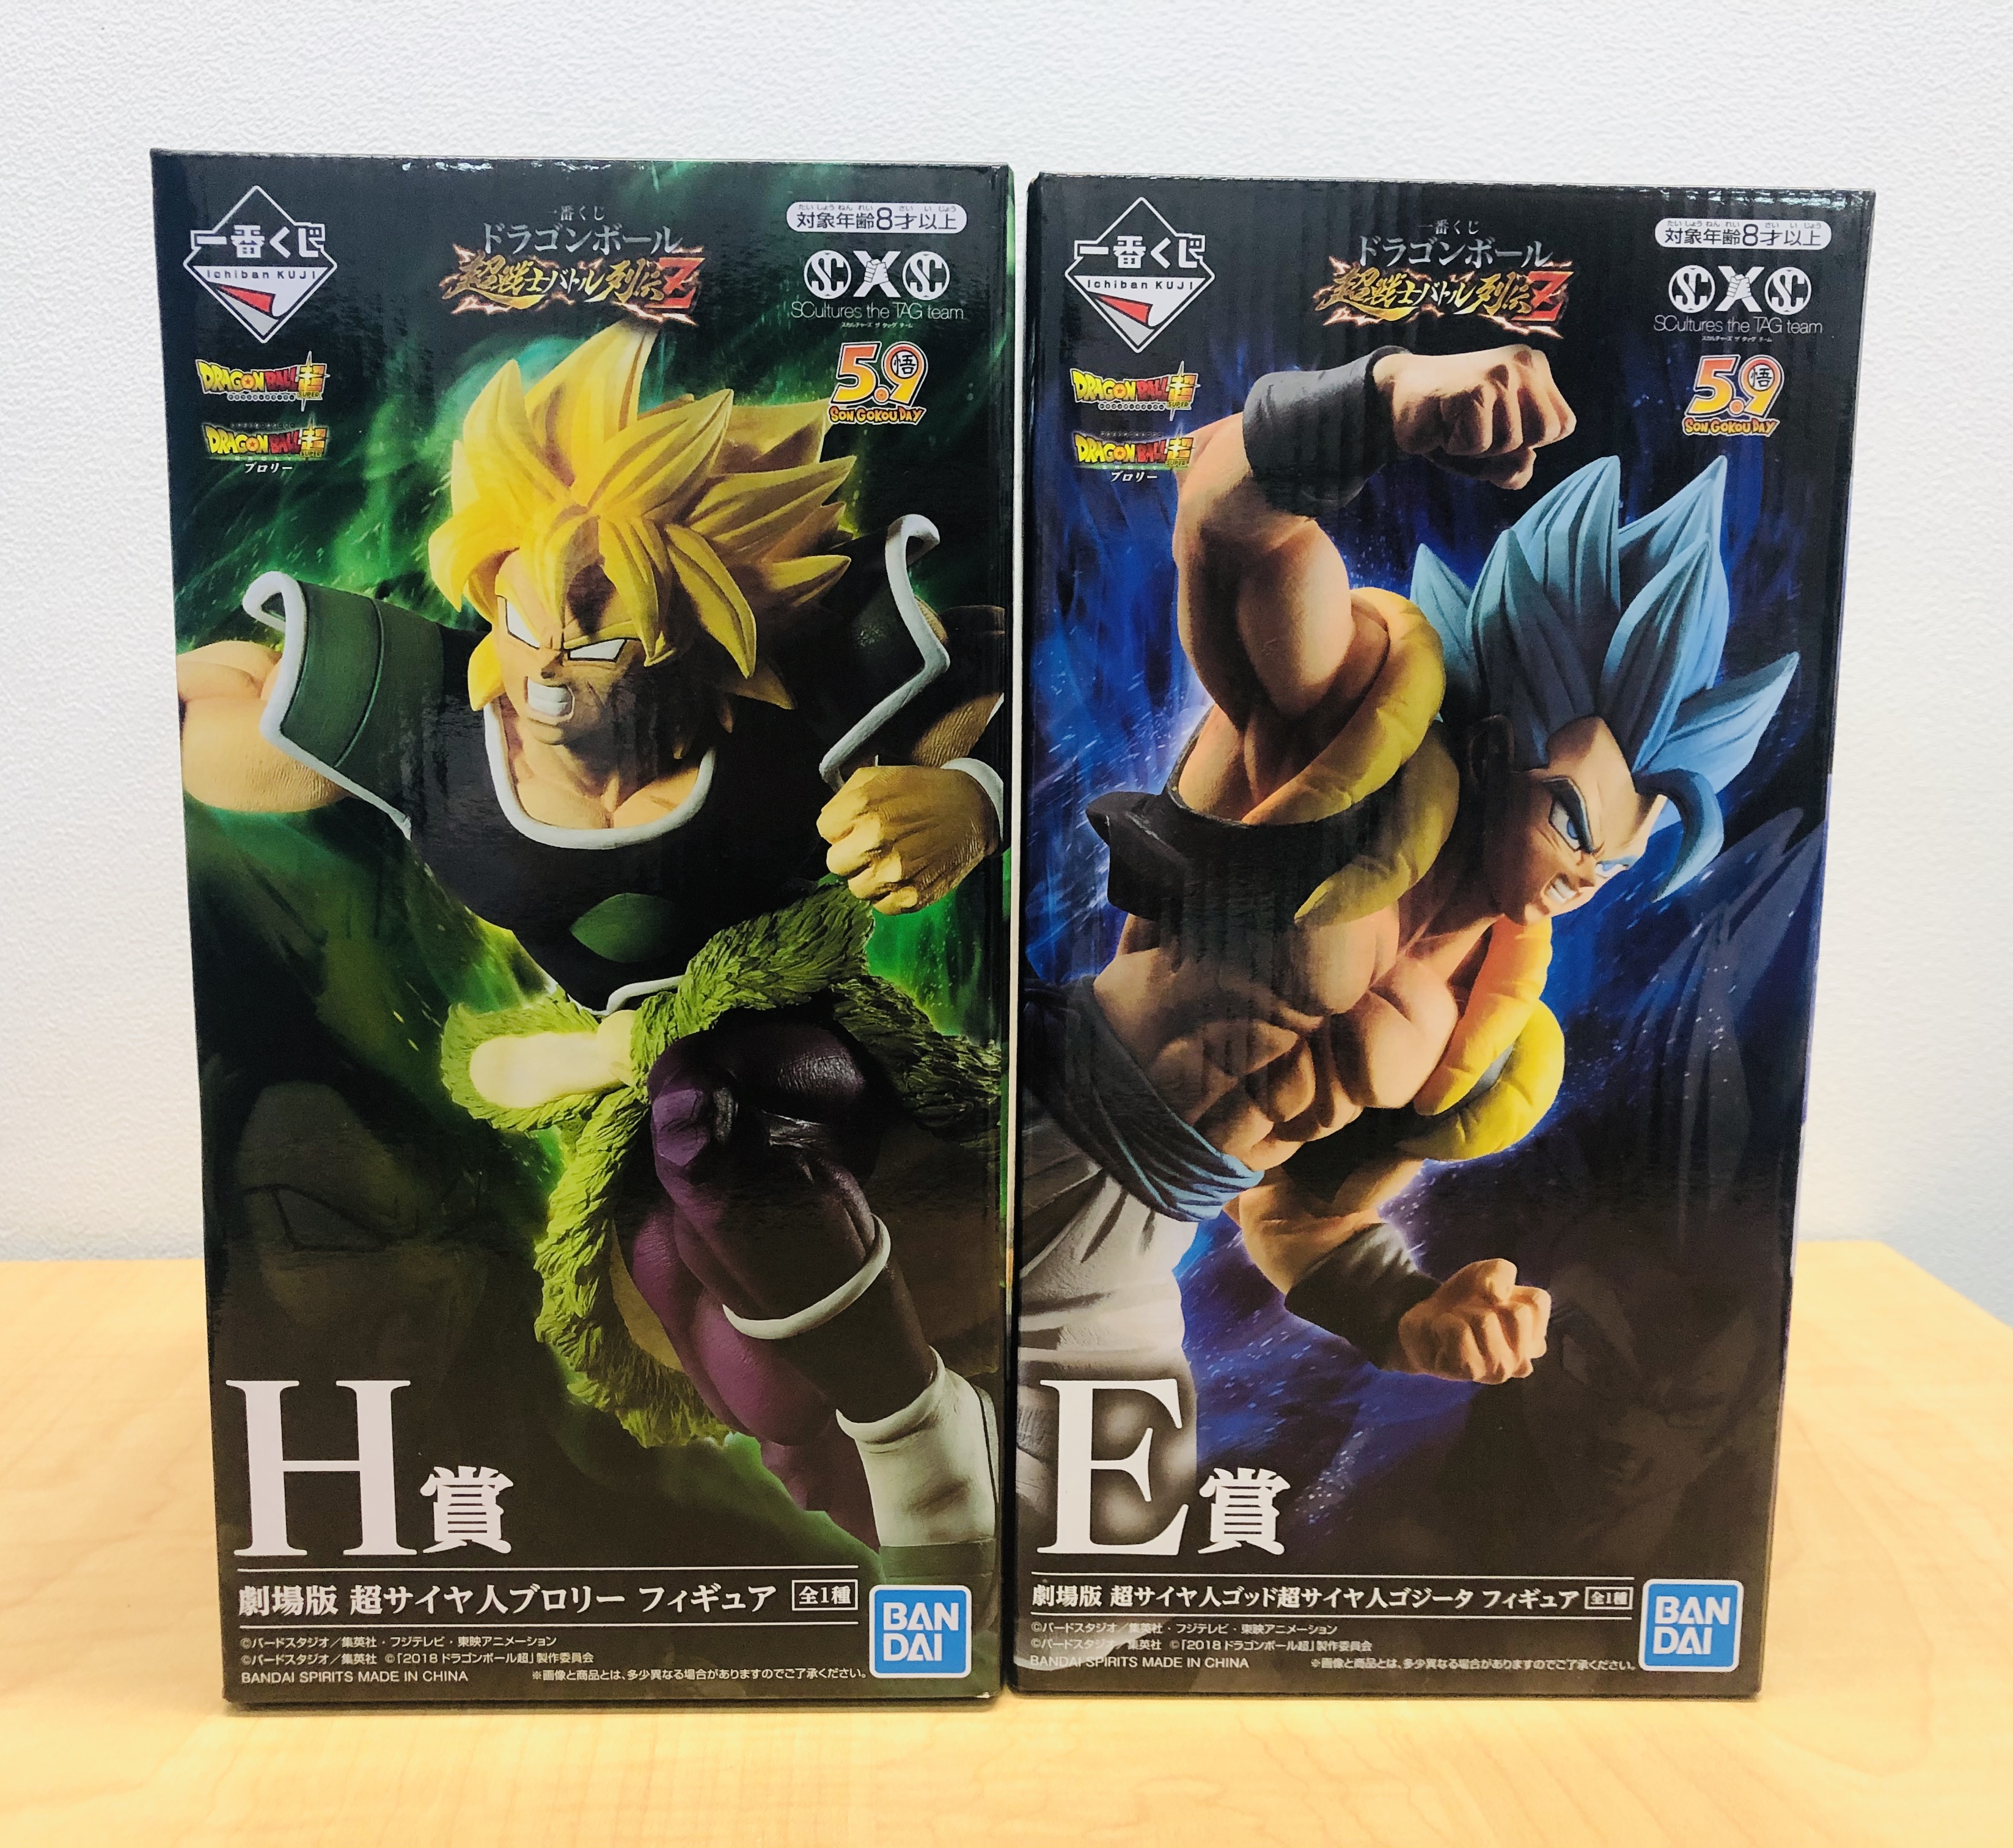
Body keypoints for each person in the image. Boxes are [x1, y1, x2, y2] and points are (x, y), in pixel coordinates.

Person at [178, 322, 1007, 1581]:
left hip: (801, 1060)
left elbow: (1015, 685)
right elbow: (234, 729)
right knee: (738, 1359)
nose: (552, 663)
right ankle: (890, 1512)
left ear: (707, 630)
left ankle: (922, 1449)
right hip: (628, 1110)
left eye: (606, 629)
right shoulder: (437, 732)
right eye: (523, 612)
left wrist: (970, 800)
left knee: (713, 1106)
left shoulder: (802, 706)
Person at [1019, 343, 1796, 1540]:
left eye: (1625, 854)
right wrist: (1385, 397)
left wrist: (1410, 1315)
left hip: (1123, 1263)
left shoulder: (1482, 1025)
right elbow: (1232, 525)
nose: (1589, 874)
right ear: (1495, 750)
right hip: (1021, 1122)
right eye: (1574, 819)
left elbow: (1297, 1214)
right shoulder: (1343, 746)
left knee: (1098, 1577)